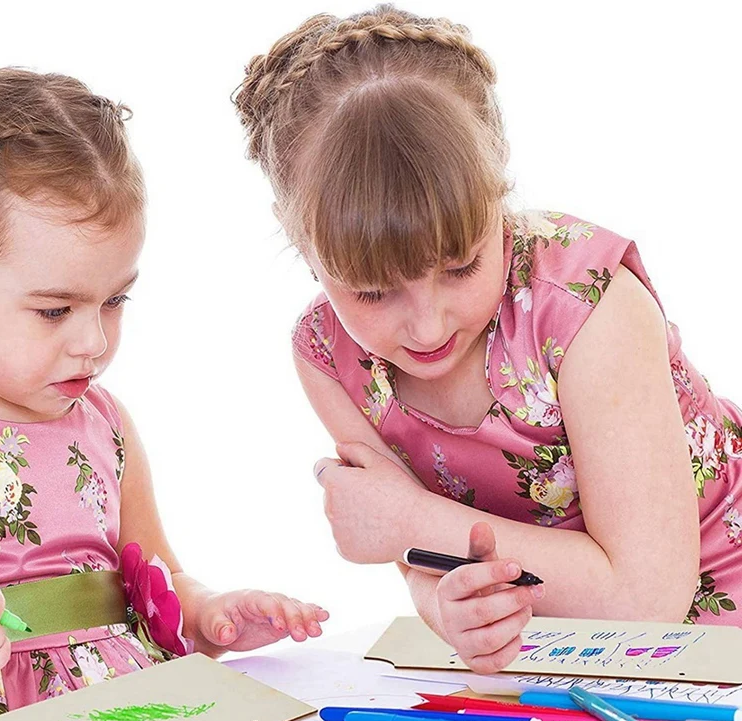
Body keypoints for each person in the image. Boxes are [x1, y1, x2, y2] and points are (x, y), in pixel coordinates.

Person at [234, 4, 737, 674]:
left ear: (499, 184)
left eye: (460, 267)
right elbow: (423, 560)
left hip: (711, 625)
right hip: (562, 652)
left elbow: (645, 599)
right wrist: (450, 612)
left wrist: (408, 521)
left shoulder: (583, 306)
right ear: (302, 242)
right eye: (373, 292)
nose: (429, 326)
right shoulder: (329, 355)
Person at [0, 68, 327, 721]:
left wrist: (209, 616)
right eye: (54, 310)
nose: (94, 342)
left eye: (115, 300)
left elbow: (153, 581)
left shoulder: (105, 425)